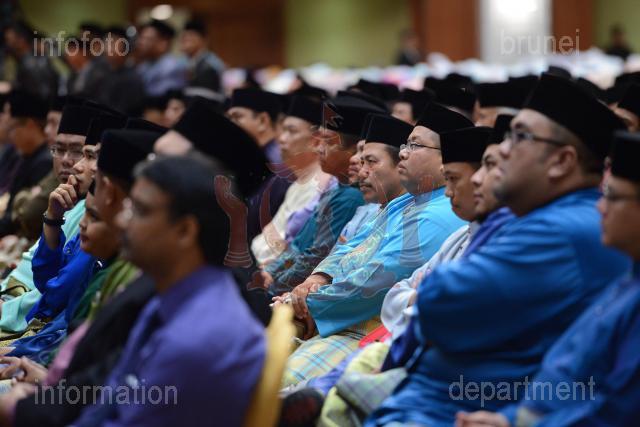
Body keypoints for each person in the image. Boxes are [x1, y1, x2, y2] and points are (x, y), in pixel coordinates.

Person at [367, 73, 631, 427]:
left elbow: (441, 303)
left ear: (562, 161)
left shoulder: (560, 230)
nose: (503, 148)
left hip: (448, 410)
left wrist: (428, 289)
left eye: (520, 137)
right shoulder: (540, 216)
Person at [277, 103, 470, 386]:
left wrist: (306, 304)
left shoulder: (439, 214)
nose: (403, 152)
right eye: (405, 144)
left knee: (280, 381)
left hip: (364, 329)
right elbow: (351, 246)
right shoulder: (408, 201)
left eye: (415, 145)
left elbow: (376, 280)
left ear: (446, 159)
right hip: (336, 314)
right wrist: (318, 279)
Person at [456, 130, 640, 427]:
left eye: (613, 196)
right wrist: (507, 419)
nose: (600, 207)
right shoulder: (627, 280)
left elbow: (615, 411)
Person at [71, 154, 265, 426]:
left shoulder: (195, 339)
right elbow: (110, 399)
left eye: (140, 210)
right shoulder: (177, 295)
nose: (122, 221)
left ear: (185, 231)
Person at [0, 103, 101, 338]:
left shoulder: (92, 210)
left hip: (31, 324)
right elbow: (47, 278)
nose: (70, 162)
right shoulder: (69, 199)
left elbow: (55, 292)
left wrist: (7, 311)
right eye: (59, 149)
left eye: (82, 153)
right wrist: (52, 220)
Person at [251, 95, 333, 266]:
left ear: (316, 141)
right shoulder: (298, 182)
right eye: (283, 130)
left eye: (291, 131)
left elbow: (282, 247)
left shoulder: (320, 184)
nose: (281, 138)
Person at [227, 88, 292, 240]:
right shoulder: (253, 156)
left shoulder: (275, 161)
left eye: (237, 117)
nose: (230, 124)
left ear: (263, 121)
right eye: (229, 118)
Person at [0, 90, 52, 236]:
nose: (10, 136)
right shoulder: (23, 155)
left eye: (12, 128)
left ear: (29, 125)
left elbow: (20, 218)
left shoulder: (44, 162)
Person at [3, 21, 59, 100]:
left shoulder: (31, 62)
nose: (8, 44)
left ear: (21, 39)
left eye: (10, 40)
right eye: (7, 40)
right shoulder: (19, 61)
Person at [97, 27, 145, 116]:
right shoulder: (102, 72)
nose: (107, 47)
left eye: (112, 43)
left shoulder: (132, 79)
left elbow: (123, 113)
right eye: (106, 42)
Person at [135, 20, 187, 97]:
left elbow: (163, 99)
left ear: (163, 43)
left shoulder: (173, 68)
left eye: (147, 39)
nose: (141, 42)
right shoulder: (144, 65)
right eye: (141, 38)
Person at [180, 18, 225, 93]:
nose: (185, 40)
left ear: (204, 40)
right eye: (184, 37)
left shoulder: (213, 64)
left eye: (191, 36)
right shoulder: (182, 61)